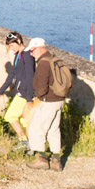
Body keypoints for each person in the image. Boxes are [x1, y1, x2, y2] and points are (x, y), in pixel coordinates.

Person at [25, 37, 65, 171]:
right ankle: (56, 160)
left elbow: (41, 85)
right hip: (59, 99)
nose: (31, 53)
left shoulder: (43, 63)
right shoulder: (54, 58)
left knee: (36, 128)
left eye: (32, 50)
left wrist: (39, 97)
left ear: (38, 48)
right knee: (53, 129)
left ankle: (41, 159)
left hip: (48, 100)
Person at [0, 31, 36, 151]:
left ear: (19, 42)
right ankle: (31, 145)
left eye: (12, 45)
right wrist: (1, 90)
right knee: (24, 120)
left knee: (10, 116)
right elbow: (12, 74)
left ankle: (24, 141)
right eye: (9, 46)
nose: (11, 48)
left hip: (24, 93)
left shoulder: (27, 56)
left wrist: (29, 98)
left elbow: (30, 76)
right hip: (22, 91)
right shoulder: (18, 55)